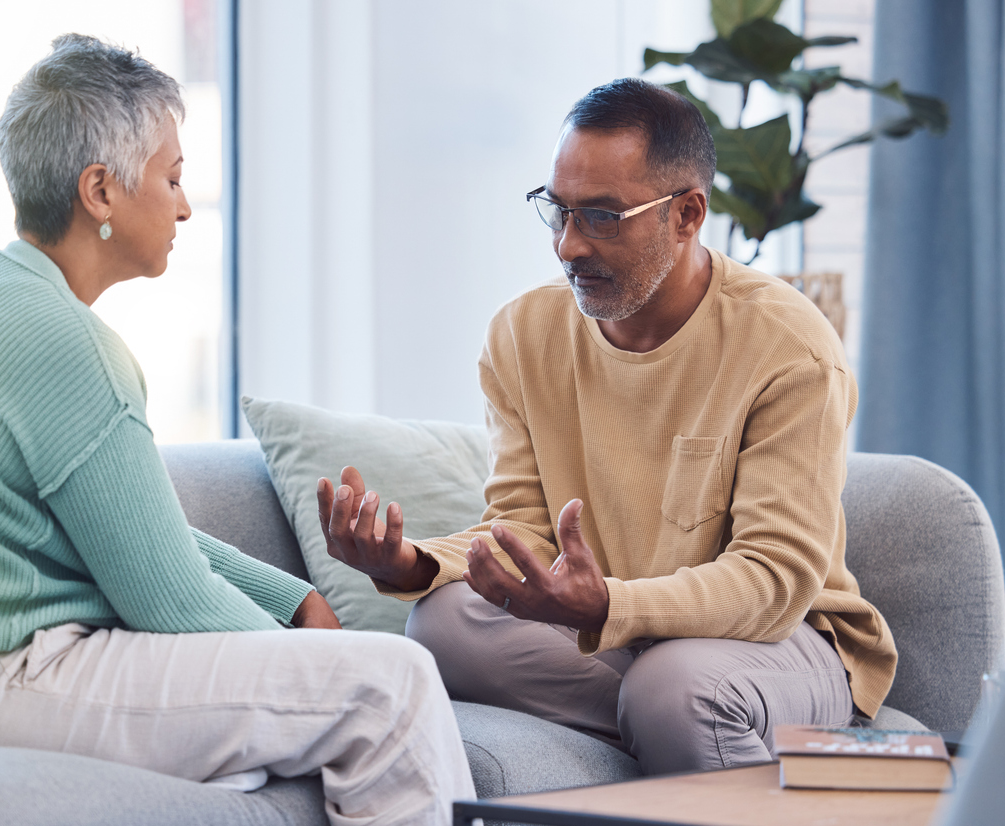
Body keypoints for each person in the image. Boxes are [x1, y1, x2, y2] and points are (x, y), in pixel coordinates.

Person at [0, 34, 475, 826]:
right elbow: (169, 597)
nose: (182, 205)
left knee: (366, 678)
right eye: (171, 179)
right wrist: (320, 659)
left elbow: (142, 533)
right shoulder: (63, 343)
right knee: (389, 685)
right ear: (100, 191)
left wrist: (295, 600)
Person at [318, 78, 897, 776]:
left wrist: (609, 604)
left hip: (781, 640)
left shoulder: (788, 347)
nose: (567, 247)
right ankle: (671, 722)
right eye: (557, 212)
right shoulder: (522, 333)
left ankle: (677, 713)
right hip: (620, 631)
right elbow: (522, 527)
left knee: (677, 685)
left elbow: (773, 581)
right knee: (442, 623)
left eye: (600, 217)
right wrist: (410, 563)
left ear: (686, 215)